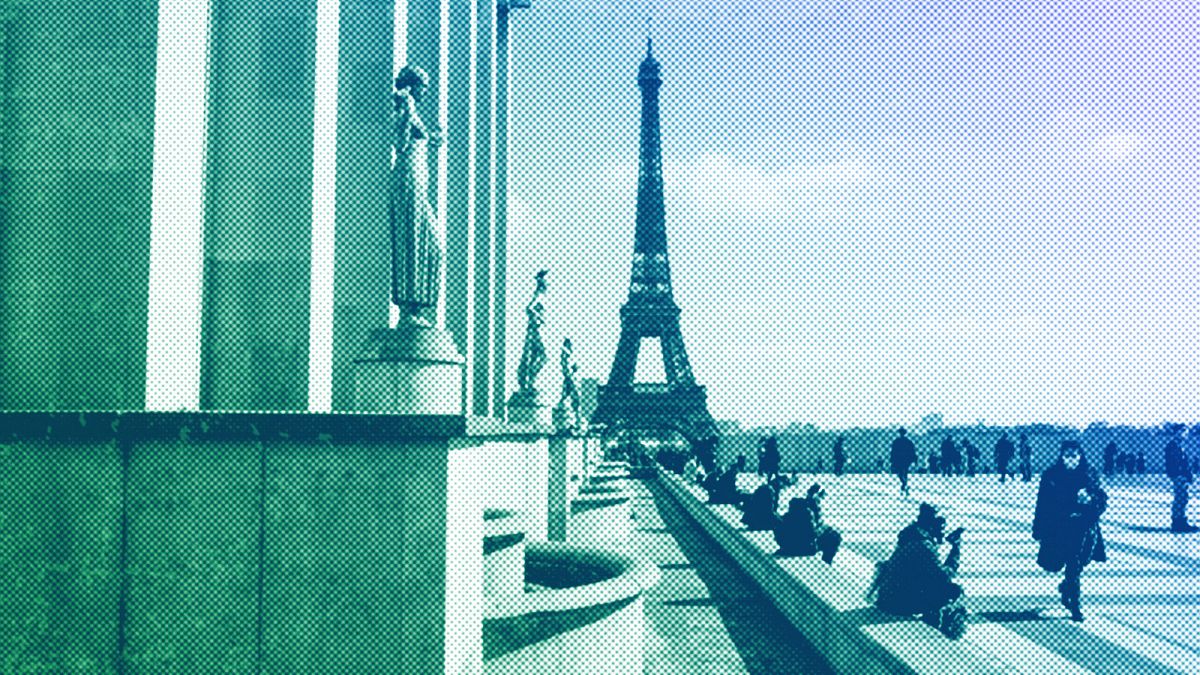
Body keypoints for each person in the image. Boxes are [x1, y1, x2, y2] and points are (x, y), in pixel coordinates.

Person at [390, 65, 443, 324]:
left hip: (418, 184)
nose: (426, 92)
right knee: (411, 241)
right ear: (412, 86)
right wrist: (407, 109)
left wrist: (433, 137)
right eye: (424, 86)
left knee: (433, 247)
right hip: (407, 180)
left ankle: (416, 308)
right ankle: (408, 312)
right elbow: (400, 143)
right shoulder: (403, 107)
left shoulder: (411, 109)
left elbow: (420, 136)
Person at [1032, 440, 1107, 622]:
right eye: (1067, 455)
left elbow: (1102, 499)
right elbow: (1042, 503)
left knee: (1079, 563)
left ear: (1080, 456)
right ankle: (1075, 605)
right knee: (1071, 563)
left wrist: (1090, 499)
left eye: (1074, 455)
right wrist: (1039, 528)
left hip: (1085, 528)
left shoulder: (1090, 473)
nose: (1071, 459)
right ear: (1062, 456)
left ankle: (1067, 587)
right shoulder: (1051, 475)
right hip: (1061, 527)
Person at [869, 502, 968, 639]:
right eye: (941, 526)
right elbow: (945, 576)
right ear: (931, 526)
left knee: (935, 588)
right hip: (897, 604)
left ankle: (932, 620)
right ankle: (942, 631)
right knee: (953, 590)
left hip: (886, 598)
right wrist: (956, 548)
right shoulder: (925, 547)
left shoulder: (909, 537)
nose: (943, 531)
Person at [775, 483, 842, 565]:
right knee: (834, 536)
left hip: (787, 545)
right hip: (803, 548)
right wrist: (822, 528)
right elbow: (812, 534)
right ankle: (827, 560)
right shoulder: (807, 514)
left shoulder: (791, 513)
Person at [516, 271, 549, 391]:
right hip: (535, 330)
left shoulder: (540, 295)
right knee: (542, 356)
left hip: (535, 329)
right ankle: (530, 378)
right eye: (545, 281)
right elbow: (529, 308)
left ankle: (530, 381)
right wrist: (539, 318)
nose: (547, 284)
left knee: (535, 356)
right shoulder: (539, 295)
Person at [1164, 427, 1196, 533]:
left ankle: (1181, 521)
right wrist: (1178, 474)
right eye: (1182, 432)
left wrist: (1188, 475)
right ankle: (1177, 523)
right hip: (1178, 476)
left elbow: (1184, 463)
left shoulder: (1179, 445)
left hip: (1181, 475)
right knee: (1180, 498)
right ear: (1176, 433)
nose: (1184, 434)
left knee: (1183, 498)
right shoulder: (1172, 446)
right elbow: (1172, 463)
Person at [890, 427, 918, 496]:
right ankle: (905, 483)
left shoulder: (896, 441)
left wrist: (892, 459)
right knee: (905, 471)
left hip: (899, 459)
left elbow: (893, 451)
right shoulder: (908, 441)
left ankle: (904, 483)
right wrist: (914, 459)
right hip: (906, 459)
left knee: (900, 472)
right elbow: (912, 451)